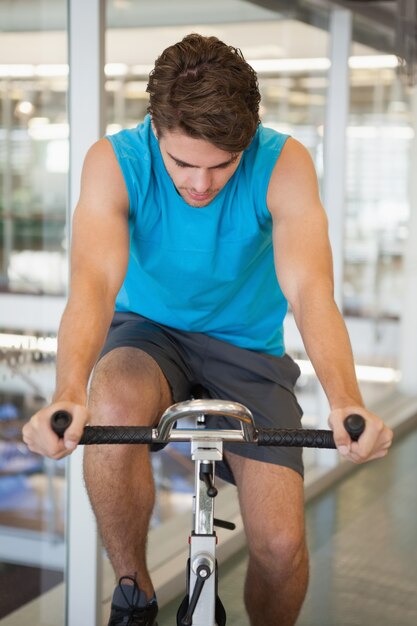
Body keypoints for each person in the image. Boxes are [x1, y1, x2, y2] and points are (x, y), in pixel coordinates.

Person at [22, 33, 393, 626]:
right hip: (148, 334)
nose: (200, 185)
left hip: (247, 350)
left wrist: (347, 401)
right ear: (154, 127)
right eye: (183, 165)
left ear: (248, 138)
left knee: (279, 546)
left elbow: (309, 291)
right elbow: (92, 283)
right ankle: (134, 594)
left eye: (222, 166)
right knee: (112, 395)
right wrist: (69, 391)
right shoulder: (115, 162)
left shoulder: (284, 162)